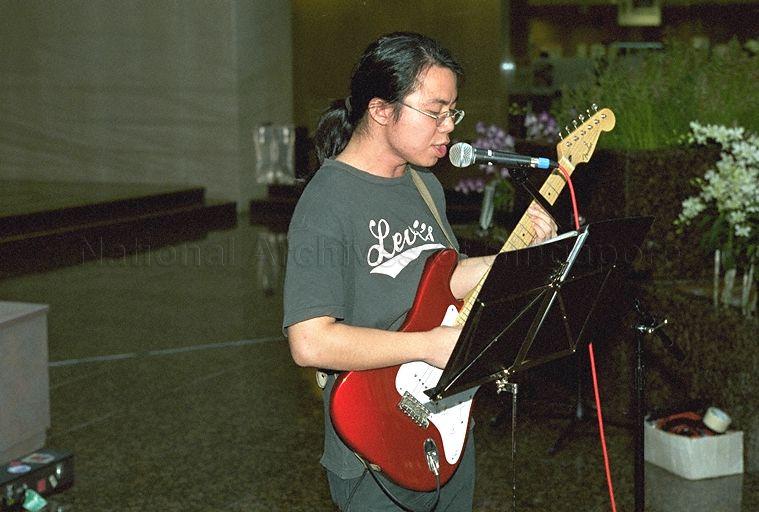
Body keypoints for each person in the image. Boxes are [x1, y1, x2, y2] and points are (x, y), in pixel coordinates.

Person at [282, 32, 557, 511]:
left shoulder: (424, 186)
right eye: (435, 111)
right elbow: (311, 342)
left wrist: (521, 255)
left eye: (453, 111)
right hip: (376, 441)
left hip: (444, 426)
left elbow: (442, 278)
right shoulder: (327, 201)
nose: (448, 127)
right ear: (381, 109)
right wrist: (427, 345)